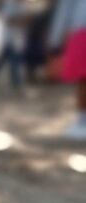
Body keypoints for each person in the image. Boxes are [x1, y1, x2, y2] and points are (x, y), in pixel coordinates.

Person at [47, 0, 86, 139]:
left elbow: (63, 16)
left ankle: (82, 120)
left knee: (83, 81)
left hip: (79, 34)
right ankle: (82, 120)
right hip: (80, 35)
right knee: (83, 80)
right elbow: (64, 14)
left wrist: (55, 40)